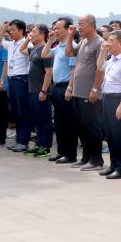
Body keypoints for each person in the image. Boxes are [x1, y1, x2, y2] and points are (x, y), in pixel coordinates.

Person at [69, 15, 106, 171]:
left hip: (90, 92)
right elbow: (69, 53)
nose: (79, 27)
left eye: (81, 24)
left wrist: (95, 89)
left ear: (92, 25)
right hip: (78, 91)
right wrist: (70, 36)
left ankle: (96, 160)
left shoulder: (99, 42)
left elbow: (100, 68)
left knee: (92, 127)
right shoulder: (83, 41)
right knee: (81, 127)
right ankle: (86, 157)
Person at [98, 30, 121, 179]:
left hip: (119, 99)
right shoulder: (112, 59)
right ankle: (113, 165)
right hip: (107, 98)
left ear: (120, 43)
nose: (108, 43)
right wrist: (103, 51)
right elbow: (99, 67)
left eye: (111, 41)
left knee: (120, 136)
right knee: (110, 135)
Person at [44, 18, 78, 163]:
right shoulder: (58, 46)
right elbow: (44, 54)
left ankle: (70, 154)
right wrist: (50, 40)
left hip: (66, 87)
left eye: (58, 28)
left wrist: (70, 88)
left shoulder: (71, 46)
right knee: (59, 122)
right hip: (57, 87)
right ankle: (61, 151)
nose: (55, 30)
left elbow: (74, 69)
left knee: (68, 123)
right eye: (54, 28)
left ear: (67, 29)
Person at [24, 24, 54, 158]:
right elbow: (21, 49)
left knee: (44, 119)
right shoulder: (34, 49)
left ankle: (46, 147)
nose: (31, 34)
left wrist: (44, 90)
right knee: (37, 119)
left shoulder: (46, 51)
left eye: (34, 32)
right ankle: (39, 143)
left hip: (41, 91)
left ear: (42, 35)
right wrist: (27, 39)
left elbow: (49, 72)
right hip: (32, 89)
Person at [4, 20, 31, 152]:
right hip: (11, 79)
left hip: (21, 79)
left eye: (13, 30)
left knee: (23, 112)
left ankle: (23, 142)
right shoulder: (11, 44)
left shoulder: (28, 44)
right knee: (15, 112)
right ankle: (19, 140)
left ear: (21, 31)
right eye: (9, 30)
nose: (10, 32)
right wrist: (4, 28)